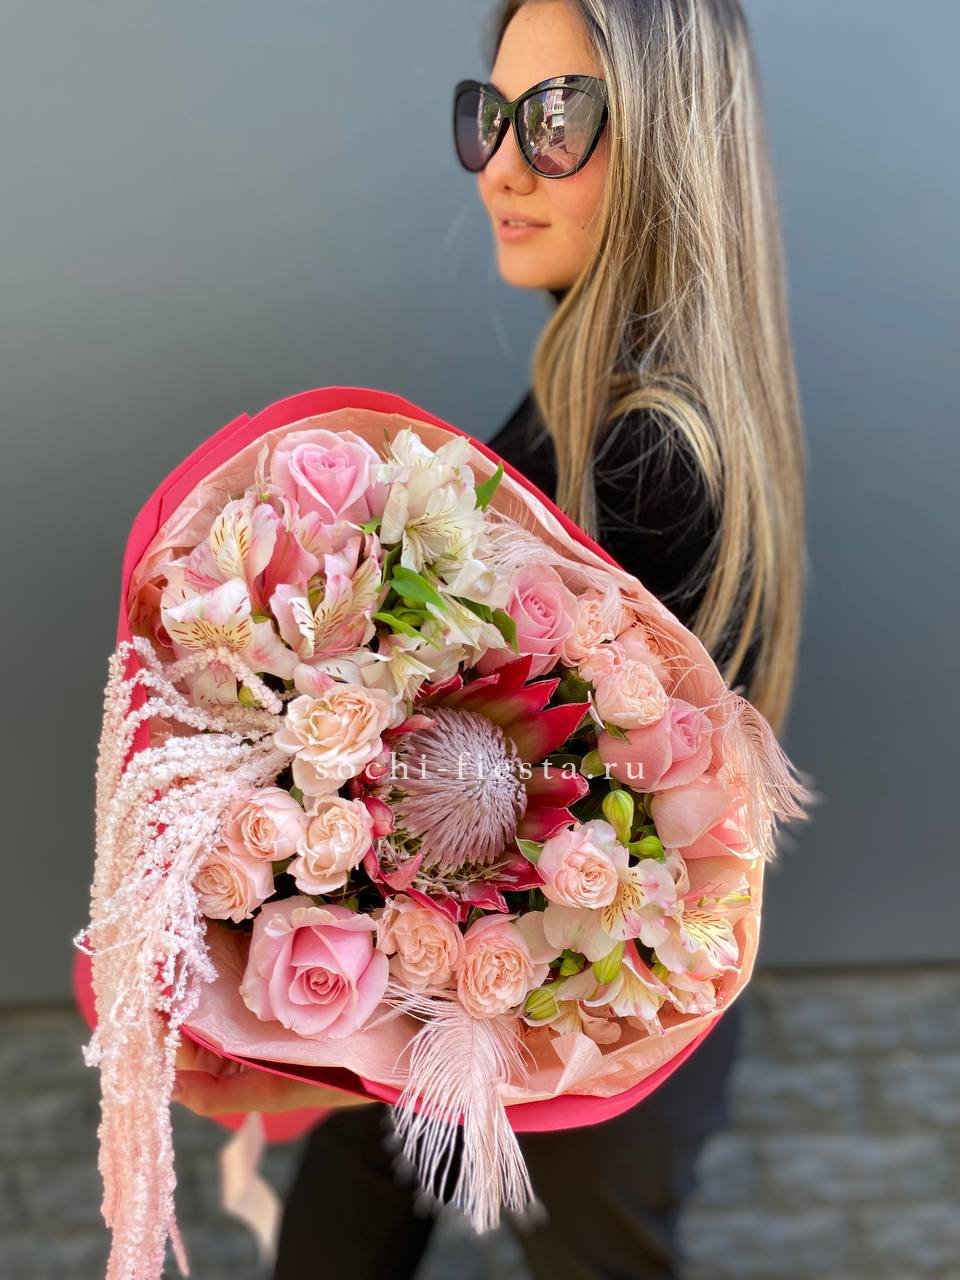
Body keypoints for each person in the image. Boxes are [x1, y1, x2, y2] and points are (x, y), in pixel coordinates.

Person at [177, 2, 807, 1276]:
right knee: (342, 1224)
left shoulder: (647, 445)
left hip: (577, 1014)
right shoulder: (602, 378)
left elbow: (550, 792)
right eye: (493, 116)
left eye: (557, 120)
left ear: (671, 140)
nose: (504, 166)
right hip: (485, 990)